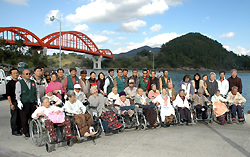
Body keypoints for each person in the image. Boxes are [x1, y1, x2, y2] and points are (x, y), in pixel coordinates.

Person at [16, 69, 40, 137]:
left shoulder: (33, 82)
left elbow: (37, 92)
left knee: (33, 117)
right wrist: (19, 101)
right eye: (27, 74)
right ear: (23, 75)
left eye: (29, 73)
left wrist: (38, 100)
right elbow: (18, 94)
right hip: (25, 102)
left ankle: (33, 129)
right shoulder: (19, 83)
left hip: (32, 102)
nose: (28, 75)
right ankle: (25, 131)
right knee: (24, 118)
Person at [6, 68, 22, 136]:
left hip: (20, 101)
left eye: (17, 73)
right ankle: (14, 130)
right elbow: (8, 95)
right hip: (14, 102)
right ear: (11, 75)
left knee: (20, 116)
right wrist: (11, 104)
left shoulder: (20, 82)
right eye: (14, 73)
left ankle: (19, 128)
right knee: (14, 116)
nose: (16, 74)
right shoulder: (9, 84)